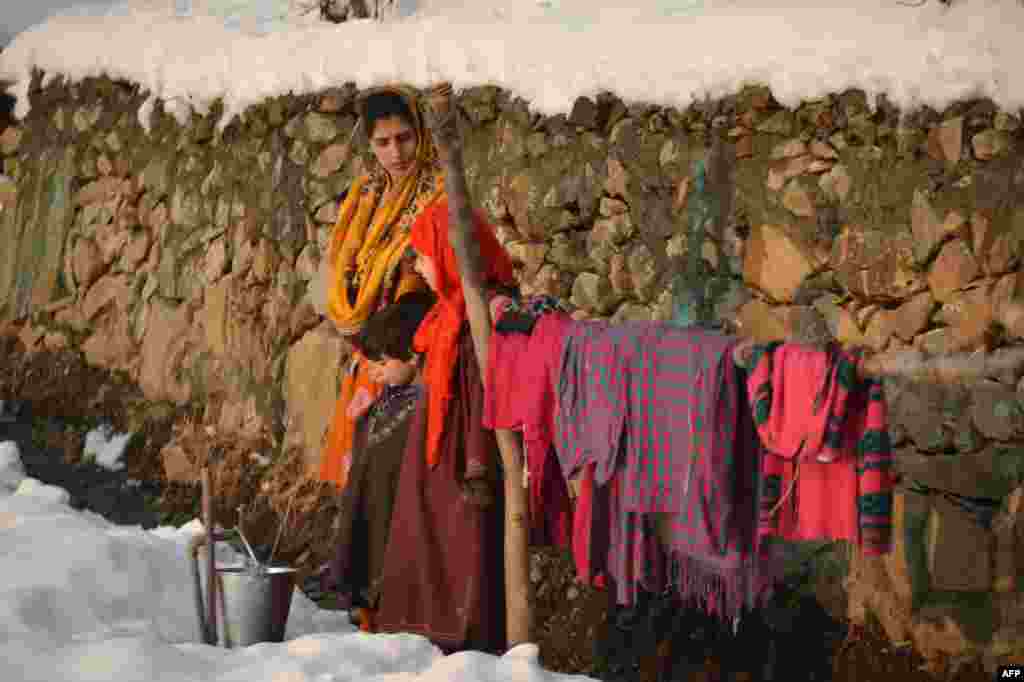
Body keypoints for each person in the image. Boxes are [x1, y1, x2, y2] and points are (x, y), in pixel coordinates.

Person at [372, 194, 518, 654]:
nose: (418, 263)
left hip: (461, 464)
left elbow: (482, 395)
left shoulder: (477, 317)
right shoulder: (445, 313)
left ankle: (460, 650)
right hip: (439, 458)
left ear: (453, 253)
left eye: (425, 253)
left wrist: (475, 465)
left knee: (461, 556)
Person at [313, 86, 445, 488]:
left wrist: (410, 363)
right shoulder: (366, 196)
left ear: (420, 133)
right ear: (369, 144)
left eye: (404, 138)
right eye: (382, 142)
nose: (396, 153)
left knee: (398, 488)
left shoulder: (439, 195)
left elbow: (442, 289)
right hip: (367, 364)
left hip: (413, 363)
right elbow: (343, 271)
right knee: (360, 488)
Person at [322, 290, 435, 632]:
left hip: (397, 513)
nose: (375, 371)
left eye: (383, 362)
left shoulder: (422, 407)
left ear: (414, 357)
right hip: (375, 505)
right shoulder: (388, 400)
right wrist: (361, 424)